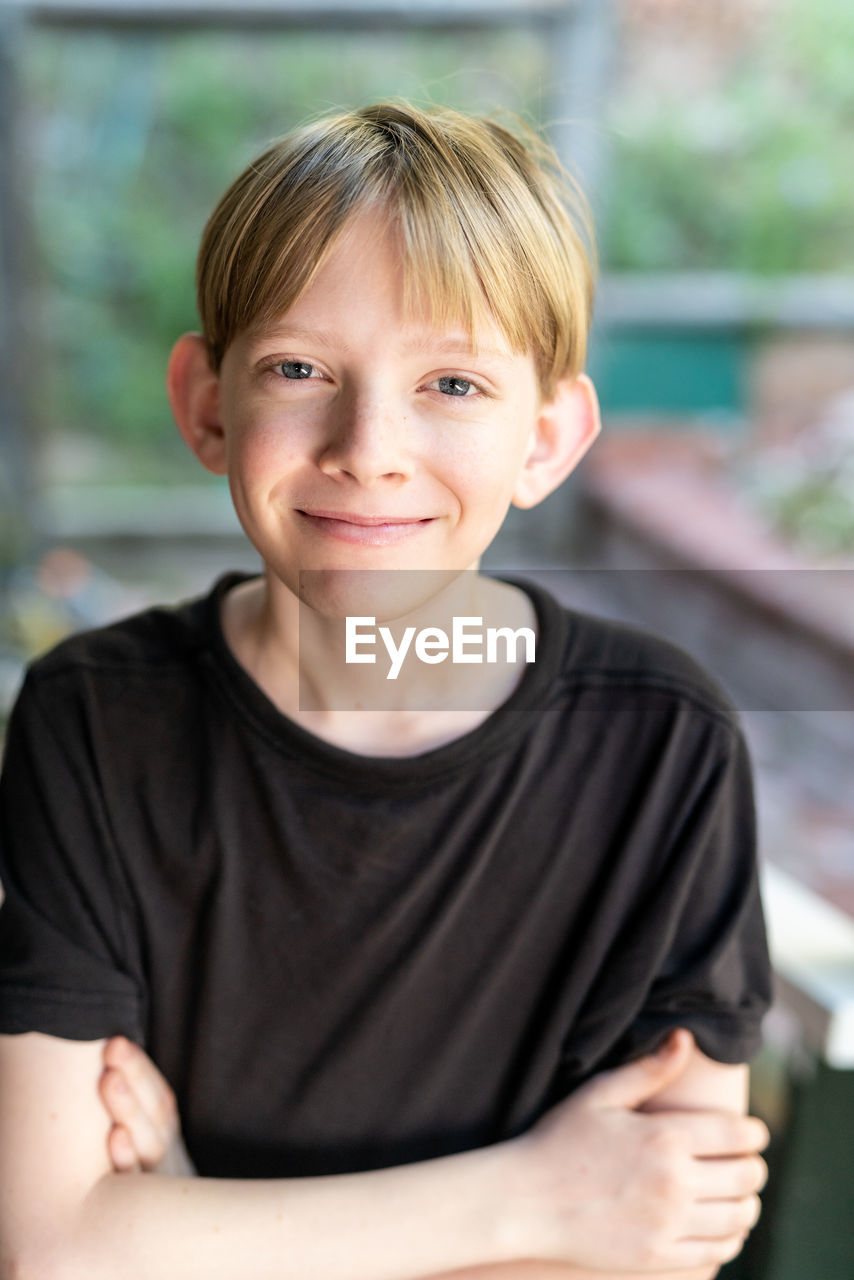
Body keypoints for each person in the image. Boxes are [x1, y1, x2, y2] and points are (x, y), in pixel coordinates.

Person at [0, 102, 771, 1280]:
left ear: (547, 436)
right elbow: (53, 1247)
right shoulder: (96, 717)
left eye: (452, 383)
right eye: (298, 368)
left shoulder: (661, 746)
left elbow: (648, 1240)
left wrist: (187, 1224)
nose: (368, 445)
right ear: (208, 402)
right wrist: (532, 1198)